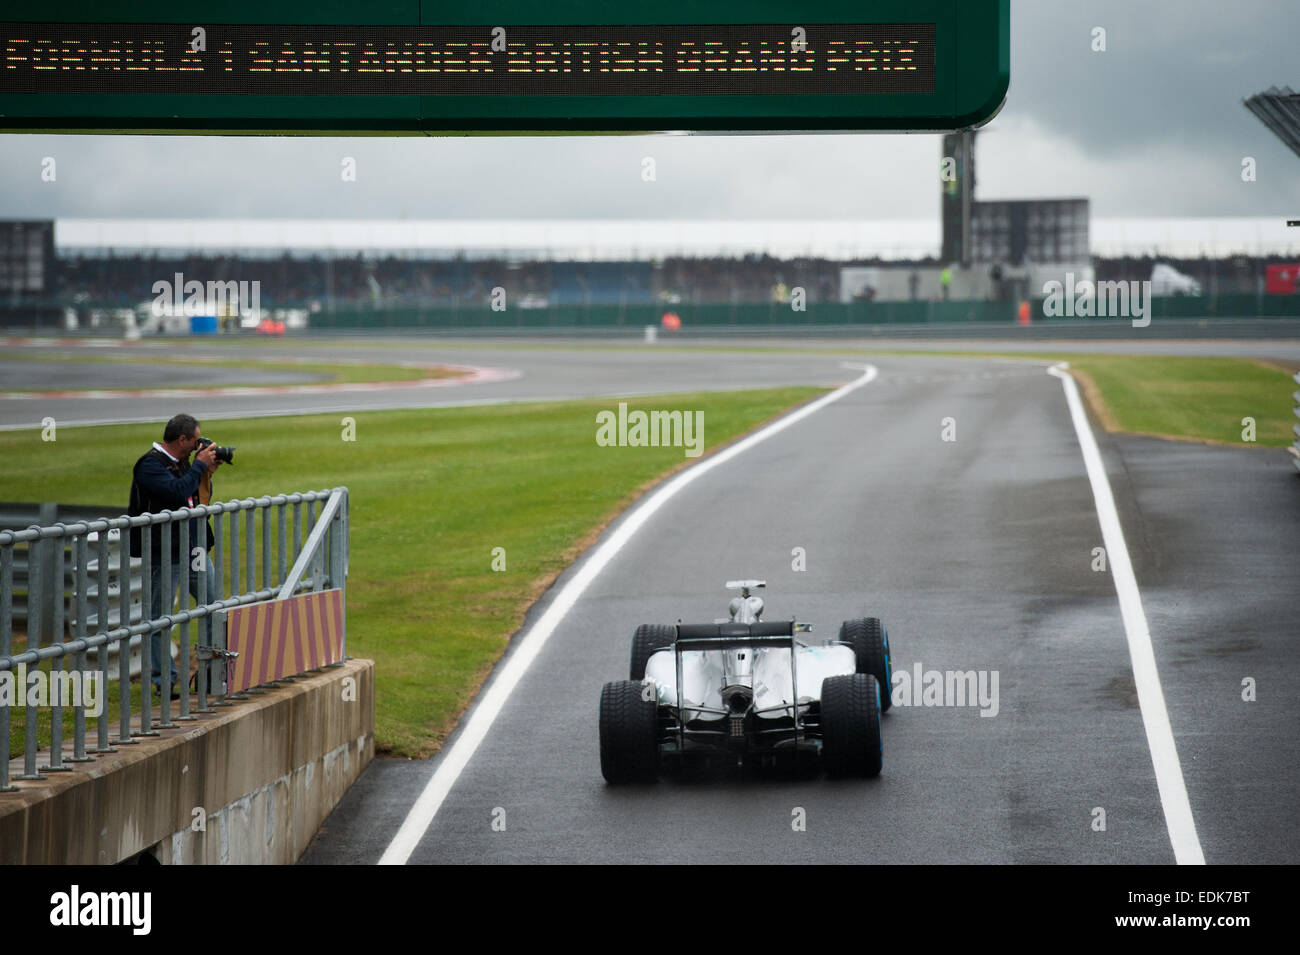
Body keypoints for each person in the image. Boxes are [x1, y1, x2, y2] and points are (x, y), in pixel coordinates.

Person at [127, 414, 221, 699]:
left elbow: (196, 501)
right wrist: (197, 467)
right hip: (164, 553)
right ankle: (164, 682)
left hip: (195, 549)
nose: (197, 448)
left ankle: (210, 674)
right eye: (195, 441)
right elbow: (175, 492)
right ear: (182, 439)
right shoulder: (150, 465)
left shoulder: (182, 466)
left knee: (212, 609)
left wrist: (205, 473)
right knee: (160, 619)